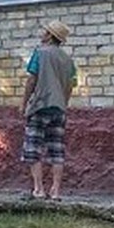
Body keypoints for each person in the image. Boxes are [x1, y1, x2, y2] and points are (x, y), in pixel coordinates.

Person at [21, 21, 77, 200]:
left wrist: (23, 104)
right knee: (56, 150)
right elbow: (70, 85)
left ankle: (39, 189)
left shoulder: (40, 53)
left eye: (45, 31)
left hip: (39, 106)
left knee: (33, 148)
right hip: (59, 109)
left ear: (50, 36)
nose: (42, 33)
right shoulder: (68, 59)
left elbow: (31, 80)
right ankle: (56, 191)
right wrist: (64, 104)